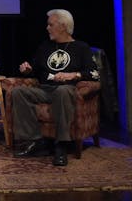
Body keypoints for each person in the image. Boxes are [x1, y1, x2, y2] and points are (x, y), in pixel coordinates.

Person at [11, 9, 99, 166]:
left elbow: (94, 74)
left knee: (62, 91)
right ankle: (35, 142)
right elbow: (35, 69)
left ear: (63, 26)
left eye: (51, 25)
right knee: (18, 92)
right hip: (45, 90)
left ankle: (61, 145)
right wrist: (27, 69)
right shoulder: (45, 47)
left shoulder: (81, 47)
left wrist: (73, 75)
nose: (47, 28)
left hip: (68, 91)